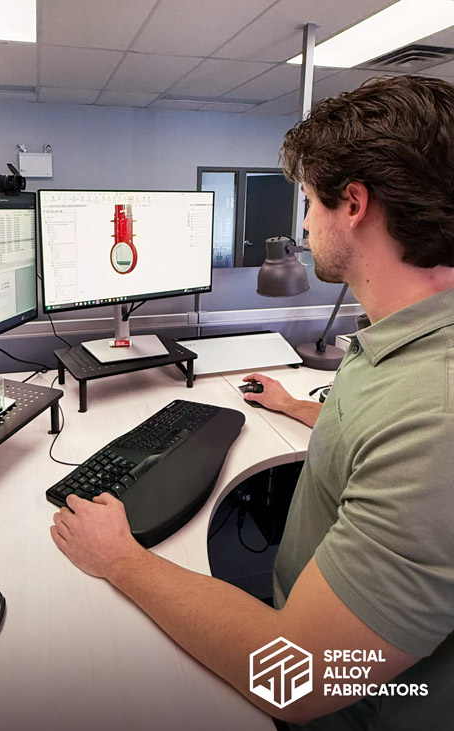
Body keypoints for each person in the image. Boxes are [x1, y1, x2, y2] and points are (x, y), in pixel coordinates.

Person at [50, 75, 454, 730]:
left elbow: (296, 679)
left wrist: (121, 559)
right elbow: (381, 434)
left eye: (308, 202)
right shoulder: (411, 337)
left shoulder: (437, 419)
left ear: (354, 204)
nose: (303, 223)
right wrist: (296, 407)